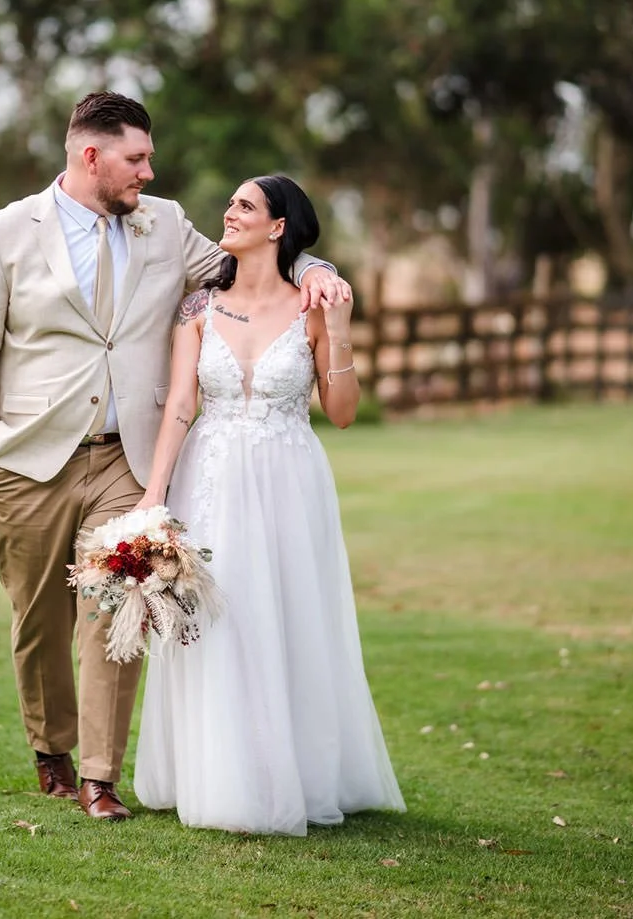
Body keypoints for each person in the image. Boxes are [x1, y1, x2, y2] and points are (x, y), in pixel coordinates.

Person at [0, 94, 345, 820]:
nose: (149, 170)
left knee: (118, 609)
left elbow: (249, 263)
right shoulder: (1, 233)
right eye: (136, 157)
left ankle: (100, 776)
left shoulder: (164, 224)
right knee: (40, 620)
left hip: (126, 455)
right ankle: (53, 750)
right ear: (89, 155)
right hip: (27, 462)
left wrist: (315, 262)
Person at [133, 174, 406, 835]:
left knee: (287, 614)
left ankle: (299, 772)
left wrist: (338, 330)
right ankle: (219, 772)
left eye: (245, 205)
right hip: (211, 475)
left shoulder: (313, 305)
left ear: (278, 226)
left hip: (291, 477)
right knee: (221, 618)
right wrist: (153, 495)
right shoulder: (199, 306)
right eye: (229, 203)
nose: (229, 211)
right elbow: (178, 405)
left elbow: (341, 413)